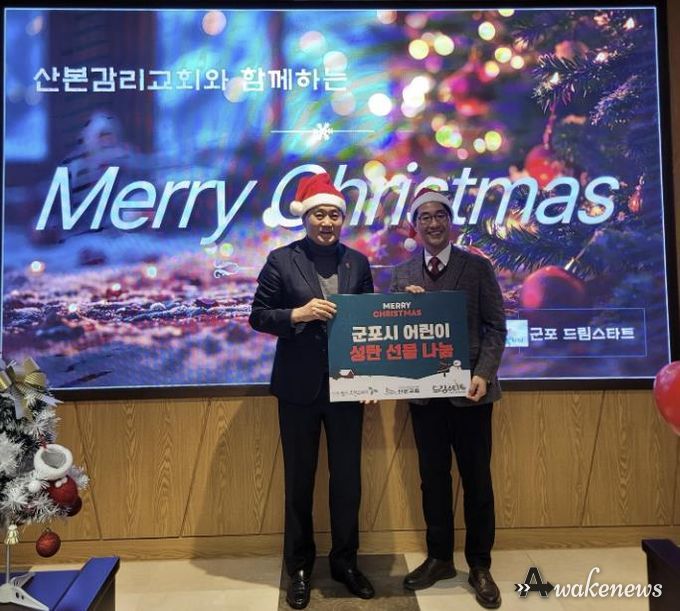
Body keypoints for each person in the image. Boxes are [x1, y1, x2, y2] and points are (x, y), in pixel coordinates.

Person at [249, 172, 375, 610]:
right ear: (305, 218)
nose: (327, 222)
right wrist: (297, 315)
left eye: (334, 215)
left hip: (348, 388)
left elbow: (369, 325)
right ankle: (299, 568)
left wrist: (372, 377)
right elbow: (258, 315)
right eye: (319, 214)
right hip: (297, 389)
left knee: (348, 483)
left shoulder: (358, 262)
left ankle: (346, 563)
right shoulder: (281, 260)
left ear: (343, 220)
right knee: (299, 483)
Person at [390, 188, 507, 609]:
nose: (433, 223)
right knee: (433, 480)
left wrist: (483, 373)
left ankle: (480, 565)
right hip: (425, 397)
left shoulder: (476, 267)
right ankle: (439, 558)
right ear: (415, 226)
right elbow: (393, 333)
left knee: (477, 482)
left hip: (471, 394)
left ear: (450, 221)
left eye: (440, 215)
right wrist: (403, 308)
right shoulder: (402, 274)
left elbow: (496, 327)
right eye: (425, 217)